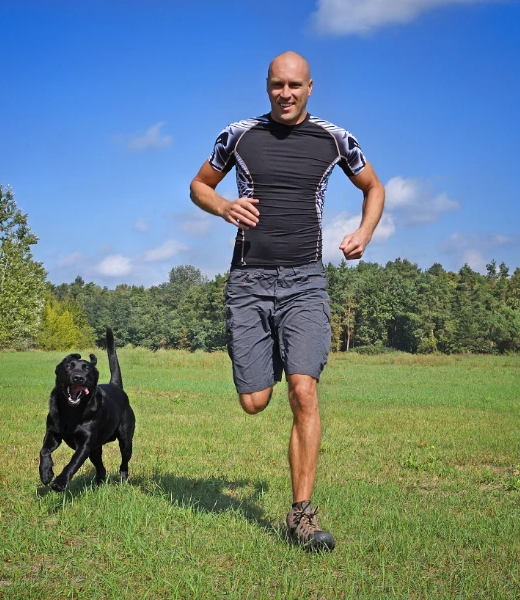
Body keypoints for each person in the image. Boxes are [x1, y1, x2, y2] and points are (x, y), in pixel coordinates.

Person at [189, 51, 385, 552]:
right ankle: (273, 354)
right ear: (267, 86)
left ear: (311, 87)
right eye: (277, 85)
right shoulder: (237, 135)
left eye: (295, 85)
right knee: (255, 403)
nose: (286, 94)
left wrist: (364, 231)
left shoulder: (335, 139)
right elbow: (199, 186)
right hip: (249, 281)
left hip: (305, 281)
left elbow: (373, 186)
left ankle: (301, 514)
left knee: (304, 392)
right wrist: (224, 205)